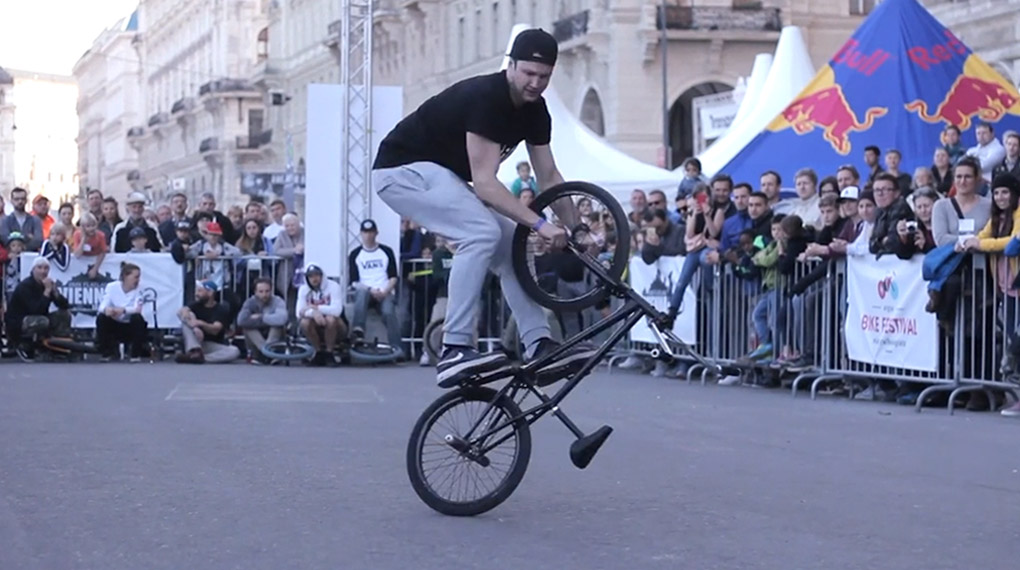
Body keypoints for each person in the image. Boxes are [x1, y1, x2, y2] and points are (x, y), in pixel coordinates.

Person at [370, 28, 593, 387]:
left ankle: (539, 343)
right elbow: (486, 183)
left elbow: (549, 175)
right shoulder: (488, 97)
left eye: (544, 76)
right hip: (403, 171)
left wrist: (577, 228)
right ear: (511, 66)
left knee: (510, 246)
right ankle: (455, 347)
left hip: (442, 176)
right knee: (481, 231)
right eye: (528, 74)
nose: (535, 84)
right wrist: (540, 224)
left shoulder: (536, 111)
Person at [4, 256, 71, 348]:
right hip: (19, 322)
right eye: (39, 268)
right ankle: (32, 345)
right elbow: (35, 310)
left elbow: (65, 306)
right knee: (42, 321)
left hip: (39, 317)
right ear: (33, 270)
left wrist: (56, 293)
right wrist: (47, 292)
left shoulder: (46, 284)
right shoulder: (25, 286)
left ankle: (60, 344)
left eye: (46, 268)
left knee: (64, 315)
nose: (43, 271)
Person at [175, 280, 241, 364]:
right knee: (188, 316)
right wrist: (195, 327)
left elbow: (215, 329)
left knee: (234, 351)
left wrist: (200, 323)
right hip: (195, 341)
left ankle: (200, 358)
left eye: (200, 291)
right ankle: (194, 351)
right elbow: (181, 311)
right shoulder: (195, 305)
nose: (196, 294)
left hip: (210, 344)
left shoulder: (221, 309)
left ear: (210, 293)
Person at [96, 262, 149, 361]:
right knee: (101, 318)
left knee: (138, 318)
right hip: (115, 324)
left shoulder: (141, 289)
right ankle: (107, 353)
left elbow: (137, 309)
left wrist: (123, 310)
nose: (138, 280)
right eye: (136, 277)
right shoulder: (112, 287)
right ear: (126, 276)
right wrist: (107, 310)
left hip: (130, 325)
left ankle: (135, 354)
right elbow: (103, 305)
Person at [296, 264, 347, 366]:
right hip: (315, 323)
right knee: (305, 322)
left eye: (316, 275)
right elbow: (299, 312)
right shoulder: (303, 290)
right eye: (310, 276)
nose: (314, 279)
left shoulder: (333, 286)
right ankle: (318, 352)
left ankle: (329, 353)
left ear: (322, 275)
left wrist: (316, 308)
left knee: (330, 319)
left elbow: (337, 310)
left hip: (338, 326)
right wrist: (314, 313)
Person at [236, 277, 289, 364]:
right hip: (256, 337)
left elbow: (282, 318)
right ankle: (267, 353)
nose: (264, 295)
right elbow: (241, 321)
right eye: (261, 292)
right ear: (255, 292)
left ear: (271, 291)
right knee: (247, 328)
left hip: (274, 336)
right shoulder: (250, 302)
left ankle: (268, 353)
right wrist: (269, 320)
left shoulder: (278, 301)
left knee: (277, 326)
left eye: (267, 291)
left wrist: (262, 317)